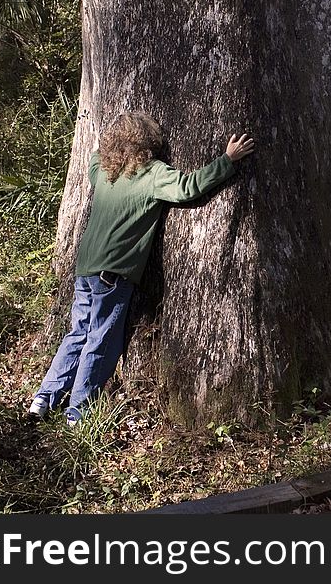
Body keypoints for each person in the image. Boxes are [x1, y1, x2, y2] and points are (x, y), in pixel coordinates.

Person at [28, 111, 255, 426]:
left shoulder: (104, 174)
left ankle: (43, 399)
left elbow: (94, 159)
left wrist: (102, 142)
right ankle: (77, 413)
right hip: (113, 275)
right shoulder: (152, 174)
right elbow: (189, 187)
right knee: (101, 341)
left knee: (78, 334)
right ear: (148, 143)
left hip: (86, 271)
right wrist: (227, 160)